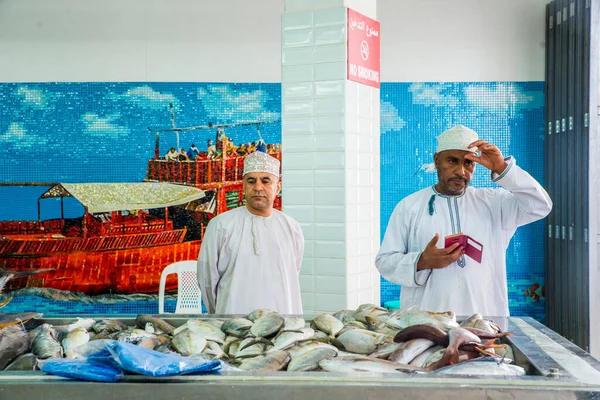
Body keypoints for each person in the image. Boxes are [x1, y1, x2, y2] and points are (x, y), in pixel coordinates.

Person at [375, 125, 552, 317]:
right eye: (452, 161)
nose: (461, 171)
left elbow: (540, 205)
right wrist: (421, 261)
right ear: (437, 160)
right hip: (427, 325)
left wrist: (502, 168)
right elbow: (385, 262)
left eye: (468, 163)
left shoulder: (495, 203)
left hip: (484, 322)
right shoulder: (410, 206)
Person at [197, 151, 304, 314]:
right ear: (244, 186)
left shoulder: (291, 227)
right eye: (251, 181)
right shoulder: (221, 226)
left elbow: (293, 273)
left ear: (278, 187)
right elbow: (207, 281)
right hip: (234, 328)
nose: (258, 187)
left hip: (282, 326)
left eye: (266, 181)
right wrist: (221, 315)